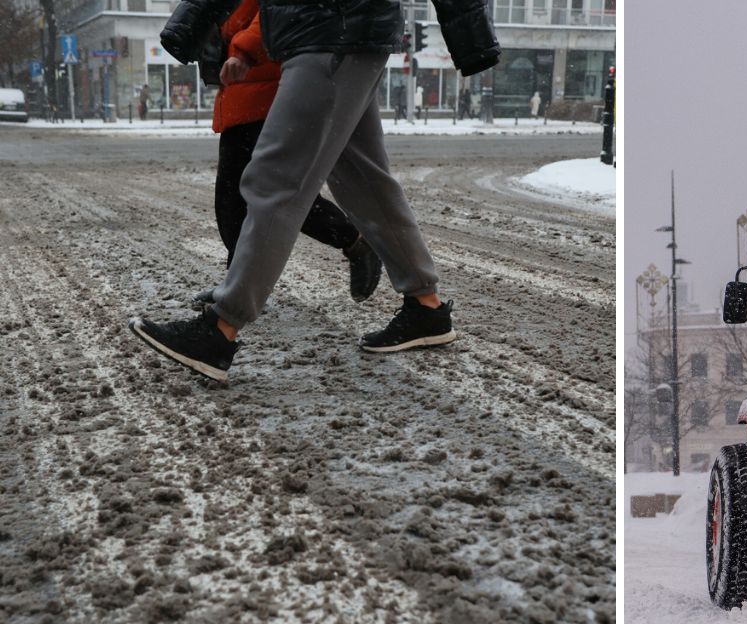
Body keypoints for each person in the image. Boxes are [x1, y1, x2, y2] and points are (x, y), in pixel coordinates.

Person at [131, 0, 500, 382]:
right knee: (362, 177)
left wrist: (470, 36)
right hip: (337, 29)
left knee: (276, 178)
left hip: (331, 27)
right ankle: (426, 306)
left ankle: (220, 329)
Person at [196, 0, 382, 307]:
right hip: (243, 90)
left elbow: (275, 14)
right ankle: (237, 284)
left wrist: (244, 50)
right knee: (237, 200)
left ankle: (355, 241)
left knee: (274, 195)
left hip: (268, 85)